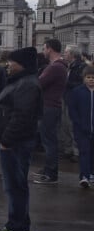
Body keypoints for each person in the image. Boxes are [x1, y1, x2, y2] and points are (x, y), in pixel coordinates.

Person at [0, 47, 42, 231]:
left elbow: (22, 116)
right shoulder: (23, 81)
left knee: (15, 187)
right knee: (17, 186)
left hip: (15, 143)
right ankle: (21, 224)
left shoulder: (27, 84)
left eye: (12, 62)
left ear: (22, 64)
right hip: (16, 141)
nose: (8, 65)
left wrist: (6, 140)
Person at [33, 39, 67, 185]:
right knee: (49, 140)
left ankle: (51, 174)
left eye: (44, 48)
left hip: (49, 107)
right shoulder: (58, 66)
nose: (43, 51)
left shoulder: (55, 67)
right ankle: (48, 169)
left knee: (49, 141)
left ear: (50, 49)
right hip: (51, 106)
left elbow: (38, 84)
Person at [66, 65, 94, 188]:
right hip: (82, 129)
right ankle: (84, 176)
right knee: (84, 152)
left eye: (93, 77)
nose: (91, 80)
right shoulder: (77, 91)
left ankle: (91, 173)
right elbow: (72, 110)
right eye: (88, 77)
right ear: (84, 78)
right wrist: (78, 123)